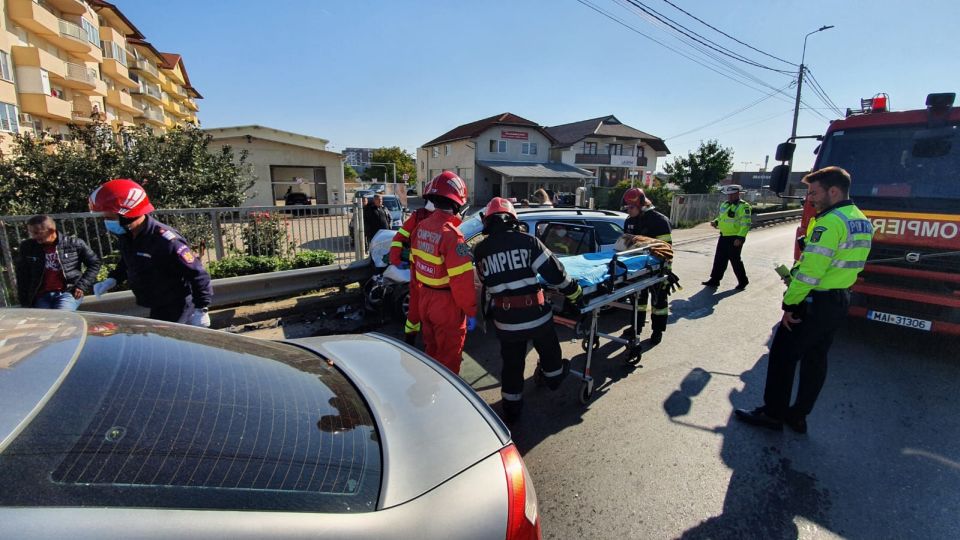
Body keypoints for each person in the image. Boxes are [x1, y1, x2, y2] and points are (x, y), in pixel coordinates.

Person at [735, 167, 872, 433]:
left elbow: (810, 272)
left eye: (814, 192)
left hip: (814, 302)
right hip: (839, 299)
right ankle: (798, 415)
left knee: (783, 357)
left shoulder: (830, 222)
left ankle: (773, 413)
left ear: (833, 191)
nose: (810, 198)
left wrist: (791, 305)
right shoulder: (861, 219)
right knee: (816, 360)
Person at [475, 197, 582, 422]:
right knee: (550, 351)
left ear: (488, 221)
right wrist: (574, 293)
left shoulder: (480, 250)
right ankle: (553, 377)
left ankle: (512, 410)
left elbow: (486, 279)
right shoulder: (528, 242)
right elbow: (556, 273)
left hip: (505, 321)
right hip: (536, 316)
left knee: (512, 366)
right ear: (512, 219)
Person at [89, 178, 213, 326]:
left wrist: (202, 309)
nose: (106, 222)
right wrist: (113, 279)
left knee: (168, 345)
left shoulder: (166, 240)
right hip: (158, 303)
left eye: (110, 218)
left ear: (128, 214)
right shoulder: (128, 235)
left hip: (177, 305)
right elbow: (128, 260)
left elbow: (197, 274)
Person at [410, 171, 477, 374]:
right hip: (447, 306)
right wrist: (471, 310)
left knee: (432, 352)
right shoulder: (453, 236)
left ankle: (430, 390)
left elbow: (415, 267)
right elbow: (462, 282)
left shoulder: (421, 227)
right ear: (457, 204)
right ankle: (445, 401)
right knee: (449, 358)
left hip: (425, 299)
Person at [15, 215, 101, 310]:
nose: (34, 237)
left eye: (37, 233)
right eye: (31, 233)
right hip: (40, 296)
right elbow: (22, 275)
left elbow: (95, 263)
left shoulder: (74, 244)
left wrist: (81, 286)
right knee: (44, 322)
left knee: (62, 318)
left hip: (67, 293)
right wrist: (25, 302)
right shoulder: (28, 247)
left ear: (51, 230)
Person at [622, 187, 673, 345]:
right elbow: (626, 244)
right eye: (627, 207)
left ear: (642, 205)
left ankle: (657, 331)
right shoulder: (630, 221)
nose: (628, 211)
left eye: (631, 207)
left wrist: (665, 272)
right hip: (637, 269)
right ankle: (636, 327)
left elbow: (666, 249)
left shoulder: (659, 221)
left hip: (658, 269)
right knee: (638, 300)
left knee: (659, 303)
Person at [388, 178, 435, 345]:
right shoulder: (419, 216)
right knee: (416, 314)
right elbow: (398, 238)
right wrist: (395, 259)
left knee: (421, 314)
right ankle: (411, 343)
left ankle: (414, 344)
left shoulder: (422, 216)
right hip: (424, 277)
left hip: (425, 275)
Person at [702, 184, 751, 290]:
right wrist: (715, 222)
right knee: (719, 259)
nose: (729, 197)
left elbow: (746, 223)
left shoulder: (743, 206)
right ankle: (715, 280)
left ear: (737, 194)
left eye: (731, 195)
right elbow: (721, 218)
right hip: (724, 236)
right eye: (728, 195)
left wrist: (740, 238)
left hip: (735, 238)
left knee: (735, 260)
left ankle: (743, 281)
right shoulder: (725, 204)